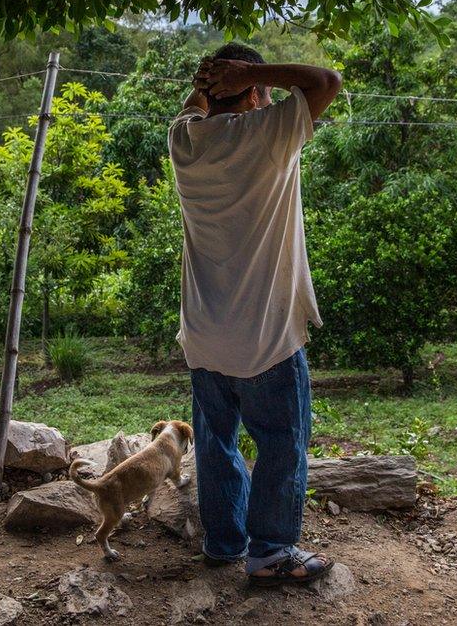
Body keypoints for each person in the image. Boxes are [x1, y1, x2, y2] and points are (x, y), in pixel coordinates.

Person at [167, 43, 342, 586]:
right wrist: (252, 73)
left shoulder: (183, 140)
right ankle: (270, 552)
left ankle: (224, 544)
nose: (270, 100)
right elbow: (326, 80)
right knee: (282, 443)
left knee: (216, 442)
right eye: (263, 92)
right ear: (252, 93)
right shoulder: (266, 136)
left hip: (204, 333)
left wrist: (212, 84)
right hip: (265, 336)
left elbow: (194, 108)